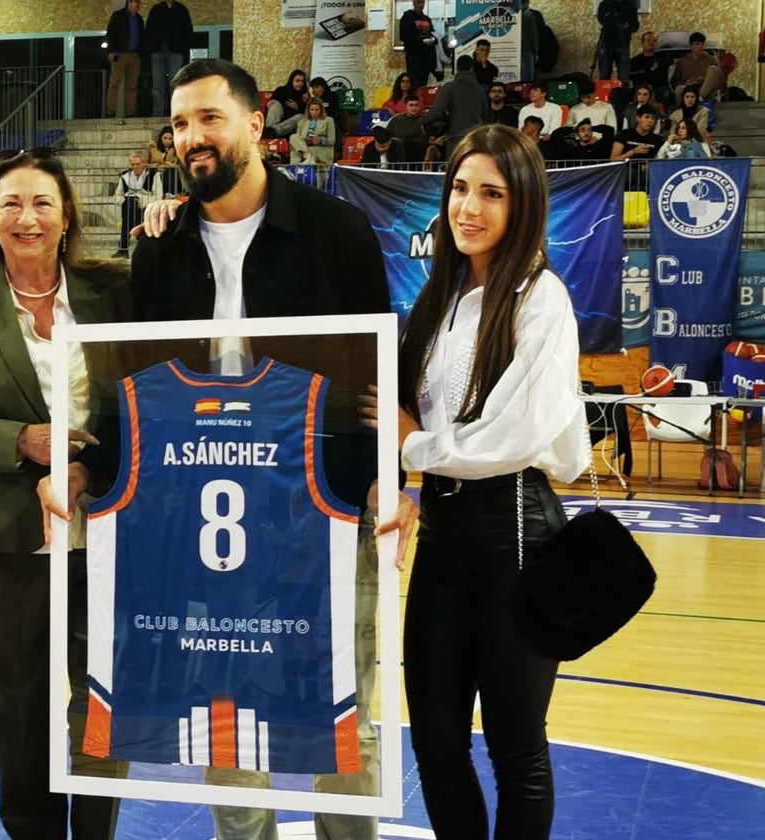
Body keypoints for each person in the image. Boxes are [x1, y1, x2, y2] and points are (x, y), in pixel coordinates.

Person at [49, 56, 417, 840]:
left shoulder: (338, 233)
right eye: (179, 125)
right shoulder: (161, 248)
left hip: (324, 509)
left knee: (345, 707)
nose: (192, 138)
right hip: (203, 519)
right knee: (225, 709)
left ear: (257, 125)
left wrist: (389, 478)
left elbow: (375, 377)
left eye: (209, 118)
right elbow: (137, 391)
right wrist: (88, 467)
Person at [367, 123, 588, 840]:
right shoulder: (441, 301)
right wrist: (402, 482)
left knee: (516, 747)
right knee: (433, 740)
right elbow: (398, 418)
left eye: (491, 193)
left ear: (521, 204)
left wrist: (417, 448)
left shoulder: (541, 297)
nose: (470, 207)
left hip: (516, 534)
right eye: (460, 188)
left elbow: (517, 435)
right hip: (445, 533)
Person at [0, 148, 127, 840]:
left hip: (106, 541)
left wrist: (89, 472)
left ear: (67, 215)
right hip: (4, 548)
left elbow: (143, 408)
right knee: (19, 708)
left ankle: (94, 832)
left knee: (102, 707)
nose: (26, 217)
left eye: (41, 203)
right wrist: (21, 442)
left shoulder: (113, 294)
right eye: (10, 203)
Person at [421, 55, 486, 157]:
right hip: (477, 137)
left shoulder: (449, 87)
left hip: (456, 137)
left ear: (457, 68)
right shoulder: (480, 90)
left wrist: (422, 122)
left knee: (455, 169)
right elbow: (485, 114)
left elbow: (437, 111)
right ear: (472, 68)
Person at [145, 0, 193, 118]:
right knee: (157, 84)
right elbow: (148, 30)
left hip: (175, 51)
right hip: (157, 51)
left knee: (175, 84)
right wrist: (151, 47)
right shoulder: (156, 9)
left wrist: (183, 48)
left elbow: (188, 30)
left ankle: (175, 112)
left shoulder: (181, 10)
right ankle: (157, 112)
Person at [114, 152, 162, 258]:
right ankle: (123, 250)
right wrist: (122, 200)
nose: (135, 167)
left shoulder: (154, 175)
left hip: (146, 205)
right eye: (133, 165)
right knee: (126, 224)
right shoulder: (125, 176)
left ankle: (143, 252)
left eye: (137, 164)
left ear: (144, 164)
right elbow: (118, 194)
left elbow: (158, 195)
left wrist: (142, 200)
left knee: (144, 227)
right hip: (128, 205)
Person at [105, 0, 146, 119]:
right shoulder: (118, 16)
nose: (137, 6)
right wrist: (111, 51)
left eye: (139, 4)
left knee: (132, 84)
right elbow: (110, 34)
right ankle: (111, 110)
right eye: (135, 3)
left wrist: (140, 53)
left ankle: (130, 111)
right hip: (119, 53)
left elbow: (141, 37)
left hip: (134, 54)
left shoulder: (139, 19)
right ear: (129, 3)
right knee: (114, 83)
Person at [611, 104, 664, 189]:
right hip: (626, 173)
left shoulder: (657, 140)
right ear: (638, 118)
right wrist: (633, 152)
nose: (650, 121)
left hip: (647, 175)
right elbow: (613, 159)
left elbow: (661, 161)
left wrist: (650, 166)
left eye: (652, 118)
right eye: (647, 117)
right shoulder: (625, 134)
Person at [670, 31, 722, 104]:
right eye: (697, 44)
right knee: (679, 89)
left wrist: (705, 80)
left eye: (702, 44)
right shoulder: (683, 61)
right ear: (691, 46)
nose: (700, 47)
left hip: (706, 92)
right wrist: (686, 82)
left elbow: (719, 82)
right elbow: (674, 82)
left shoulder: (711, 59)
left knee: (713, 69)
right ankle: (681, 111)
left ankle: (699, 99)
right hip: (690, 92)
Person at [595, 0, 638, 86]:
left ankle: (623, 95)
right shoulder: (605, 4)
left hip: (622, 42)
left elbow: (635, 25)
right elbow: (602, 19)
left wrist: (626, 26)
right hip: (606, 42)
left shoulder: (630, 5)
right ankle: (605, 96)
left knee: (624, 76)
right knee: (604, 75)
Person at [629, 30, 673, 106]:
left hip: (659, 88)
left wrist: (645, 73)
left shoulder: (662, 58)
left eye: (654, 41)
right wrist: (650, 71)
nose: (651, 42)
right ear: (642, 43)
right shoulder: (635, 61)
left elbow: (661, 76)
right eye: (648, 40)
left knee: (666, 93)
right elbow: (633, 77)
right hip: (641, 89)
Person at [400, 0, 437, 87]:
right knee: (413, 82)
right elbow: (404, 37)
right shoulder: (407, 17)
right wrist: (421, 41)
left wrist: (433, 39)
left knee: (423, 83)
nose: (421, 5)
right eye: (418, 2)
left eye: (423, 2)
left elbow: (432, 33)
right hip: (413, 56)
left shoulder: (427, 19)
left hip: (426, 56)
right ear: (413, 3)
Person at [263, 69, 309, 139]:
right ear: (292, 81)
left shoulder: (305, 95)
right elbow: (269, 107)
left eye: (302, 81)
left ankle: (273, 132)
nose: (300, 84)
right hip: (277, 120)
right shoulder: (281, 90)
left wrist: (297, 108)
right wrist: (270, 103)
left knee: (301, 117)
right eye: (297, 81)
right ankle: (269, 130)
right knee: (275, 104)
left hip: (289, 125)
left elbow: (308, 114)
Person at [288, 97, 335, 166]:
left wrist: (320, 140)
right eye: (312, 110)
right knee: (293, 137)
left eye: (317, 110)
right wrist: (306, 140)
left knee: (296, 151)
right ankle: (307, 156)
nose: (314, 112)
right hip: (305, 148)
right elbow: (297, 140)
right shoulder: (302, 122)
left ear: (321, 110)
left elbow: (332, 141)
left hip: (319, 148)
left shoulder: (328, 120)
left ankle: (308, 157)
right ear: (308, 110)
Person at [145, 124, 180, 196]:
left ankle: (170, 195)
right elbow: (145, 164)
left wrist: (168, 165)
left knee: (171, 174)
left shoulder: (175, 149)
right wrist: (155, 166)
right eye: (165, 138)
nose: (167, 141)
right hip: (154, 173)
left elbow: (178, 164)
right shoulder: (152, 147)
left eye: (170, 139)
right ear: (161, 137)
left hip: (169, 174)